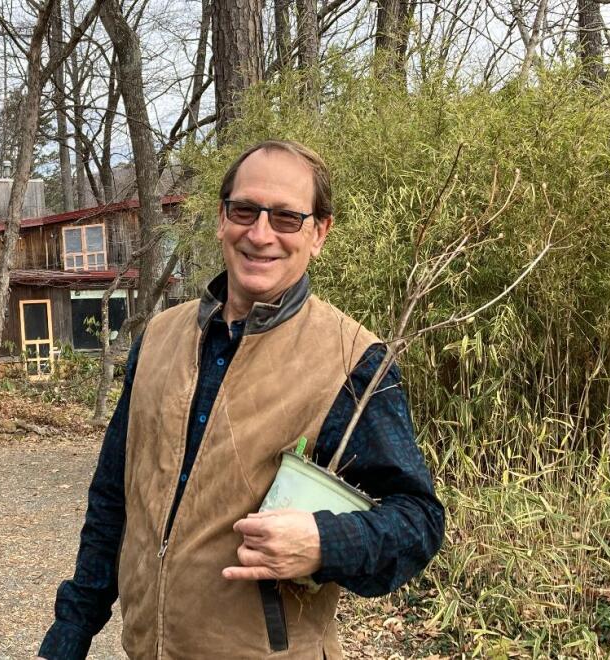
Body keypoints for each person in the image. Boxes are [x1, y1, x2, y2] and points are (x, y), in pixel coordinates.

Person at [38, 140, 444, 659]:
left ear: (320, 232)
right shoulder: (159, 338)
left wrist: (323, 543)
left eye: (286, 218)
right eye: (245, 210)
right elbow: (114, 497)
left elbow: (418, 522)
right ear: (220, 217)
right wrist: (73, 626)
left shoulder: (354, 361)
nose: (260, 234)